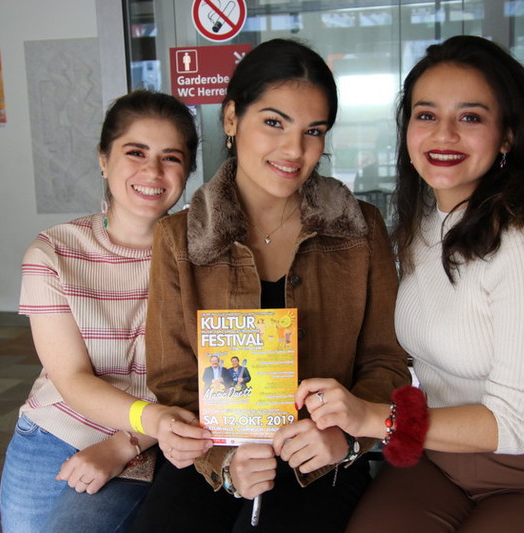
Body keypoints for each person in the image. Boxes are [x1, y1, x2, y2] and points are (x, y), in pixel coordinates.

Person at [296, 35, 524, 532]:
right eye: (426, 115)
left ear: (506, 136)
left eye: (470, 117)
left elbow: (517, 425)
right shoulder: (424, 222)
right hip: (438, 458)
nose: (443, 135)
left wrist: (371, 418)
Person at [135, 38, 411, 532]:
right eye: (274, 122)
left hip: (321, 457)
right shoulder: (180, 237)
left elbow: (385, 361)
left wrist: (345, 438)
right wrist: (224, 460)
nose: (294, 150)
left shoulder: (358, 229)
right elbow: (174, 382)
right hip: (214, 448)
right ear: (231, 118)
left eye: (313, 131)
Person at [0, 90, 213, 533]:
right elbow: (72, 379)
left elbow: (211, 378)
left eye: (171, 157)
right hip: (58, 430)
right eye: (135, 152)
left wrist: (128, 442)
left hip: (160, 434)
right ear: (103, 159)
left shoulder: (207, 255)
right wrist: (147, 423)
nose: (152, 171)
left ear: (188, 171)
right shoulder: (53, 252)